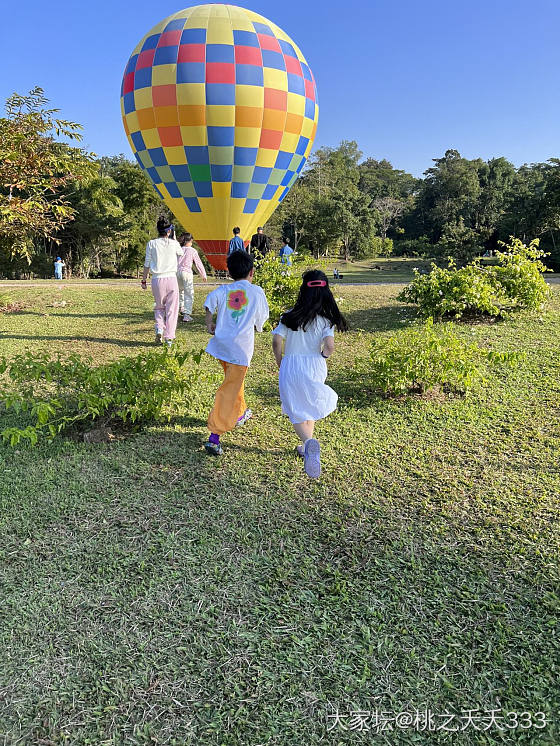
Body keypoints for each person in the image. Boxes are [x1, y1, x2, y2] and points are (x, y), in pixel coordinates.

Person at [272, 269, 348, 479]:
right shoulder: (326, 320)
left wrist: (280, 360)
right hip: (315, 364)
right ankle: (308, 448)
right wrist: (323, 356)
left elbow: (277, 341)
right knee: (310, 403)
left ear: (303, 290)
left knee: (295, 408)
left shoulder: (288, 316)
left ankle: (308, 443)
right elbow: (330, 346)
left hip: (292, 364)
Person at [203, 251, 269, 456]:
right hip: (240, 350)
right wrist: (258, 325)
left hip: (222, 347)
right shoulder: (257, 292)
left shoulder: (224, 290)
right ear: (252, 271)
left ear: (229, 271)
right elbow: (261, 321)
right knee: (229, 388)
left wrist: (209, 323)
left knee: (234, 381)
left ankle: (240, 413)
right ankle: (215, 435)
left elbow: (208, 302)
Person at [141, 217, 183, 347]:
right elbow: (181, 253)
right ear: (169, 230)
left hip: (157, 279)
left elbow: (147, 264)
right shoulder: (174, 243)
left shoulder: (152, 243)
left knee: (159, 307)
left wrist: (143, 279)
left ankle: (159, 328)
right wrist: (174, 238)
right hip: (171, 278)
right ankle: (169, 338)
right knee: (172, 310)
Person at [177, 232, 207, 323]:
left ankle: (180, 307)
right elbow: (198, 263)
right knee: (189, 293)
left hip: (177, 272)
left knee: (180, 291)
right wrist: (203, 274)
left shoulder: (179, 249)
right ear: (189, 241)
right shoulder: (192, 250)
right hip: (187, 273)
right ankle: (186, 314)